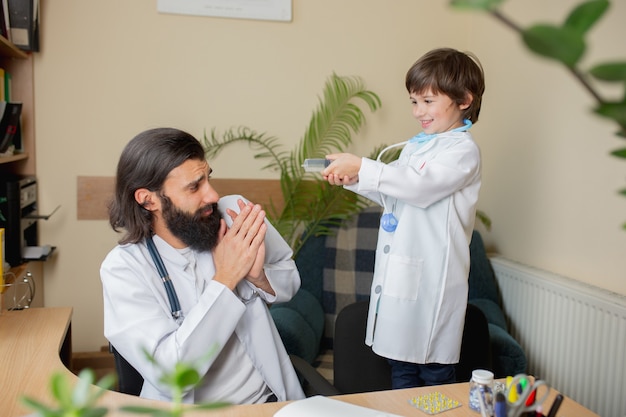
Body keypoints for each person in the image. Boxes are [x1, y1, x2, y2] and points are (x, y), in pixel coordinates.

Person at [100, 127, 305, 404]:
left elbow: (290, 279)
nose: (212, 195)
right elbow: (172, 377)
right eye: (194, 186)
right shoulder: (124, 269)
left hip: (267, 401)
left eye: (208, 178)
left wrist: (259, 278)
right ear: (148, 199)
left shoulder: (235, 216)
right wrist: (226, 279)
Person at [322, 47, 485, 388]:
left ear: (464, 99)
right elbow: (393, 190)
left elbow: (421, 187)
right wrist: (353, 179)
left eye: (427, 101)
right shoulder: (418, 146)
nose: (418, 112)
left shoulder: (462, 151)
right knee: (401, 368)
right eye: (414, 101)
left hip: (432, 283)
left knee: (433, 371)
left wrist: (365, 166)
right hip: (403, 278)